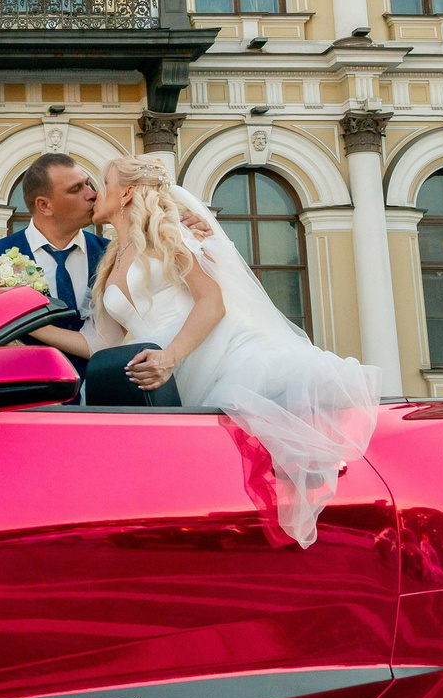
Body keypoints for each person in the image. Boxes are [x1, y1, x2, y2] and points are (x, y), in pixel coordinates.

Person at [83, 154, 381, 546]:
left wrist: (171, 357)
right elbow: (98, 343)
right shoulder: (111, 261)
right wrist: (27, 318)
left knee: (240, 461)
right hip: (164, 380)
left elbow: (212, 301)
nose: (94, 193)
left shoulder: (171, 235)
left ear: (127, 192)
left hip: (200, 358)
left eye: (102, 183)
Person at [0, 153, 108, 349]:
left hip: (94, 379)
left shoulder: (109, 253)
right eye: (76, 189)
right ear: (44, 205)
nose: (92, 194)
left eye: (88, 184)